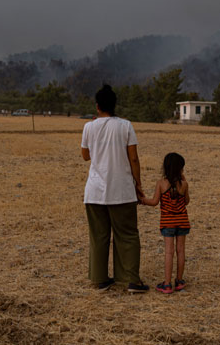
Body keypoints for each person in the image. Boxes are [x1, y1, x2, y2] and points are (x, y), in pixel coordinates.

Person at [80, 85, 149, 293]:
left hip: (94, 192)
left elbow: (85, 156)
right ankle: (130, 280)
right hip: (122, 190)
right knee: (127, 234)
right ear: (114, 105)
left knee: (99, 236)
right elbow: (134, 158)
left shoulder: (88, 127)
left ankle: (100, 279)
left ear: (98, 106)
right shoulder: (126, 126)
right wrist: (138, 184)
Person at [137, 152, 190, 294]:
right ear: (180, 169)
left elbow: (154, 202)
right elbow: (186, 202)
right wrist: (183, 181)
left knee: (169, 252)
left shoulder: (161, 183)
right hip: (182, 221)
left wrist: (141, 200)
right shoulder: (184, 184)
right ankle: (179, 281)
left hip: (168, 223)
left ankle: (166, 284)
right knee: (180, 251)